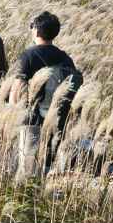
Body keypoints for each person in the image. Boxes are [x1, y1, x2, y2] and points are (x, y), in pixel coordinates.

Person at [8, 11, 83, 163]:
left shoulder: (28, 56)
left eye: (32, 26)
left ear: (36, 29)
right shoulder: (65, 58)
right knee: (47, 163)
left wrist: (10, 117)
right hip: (57, 121)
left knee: (28, 164)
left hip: (31, 122)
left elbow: (17, 91)